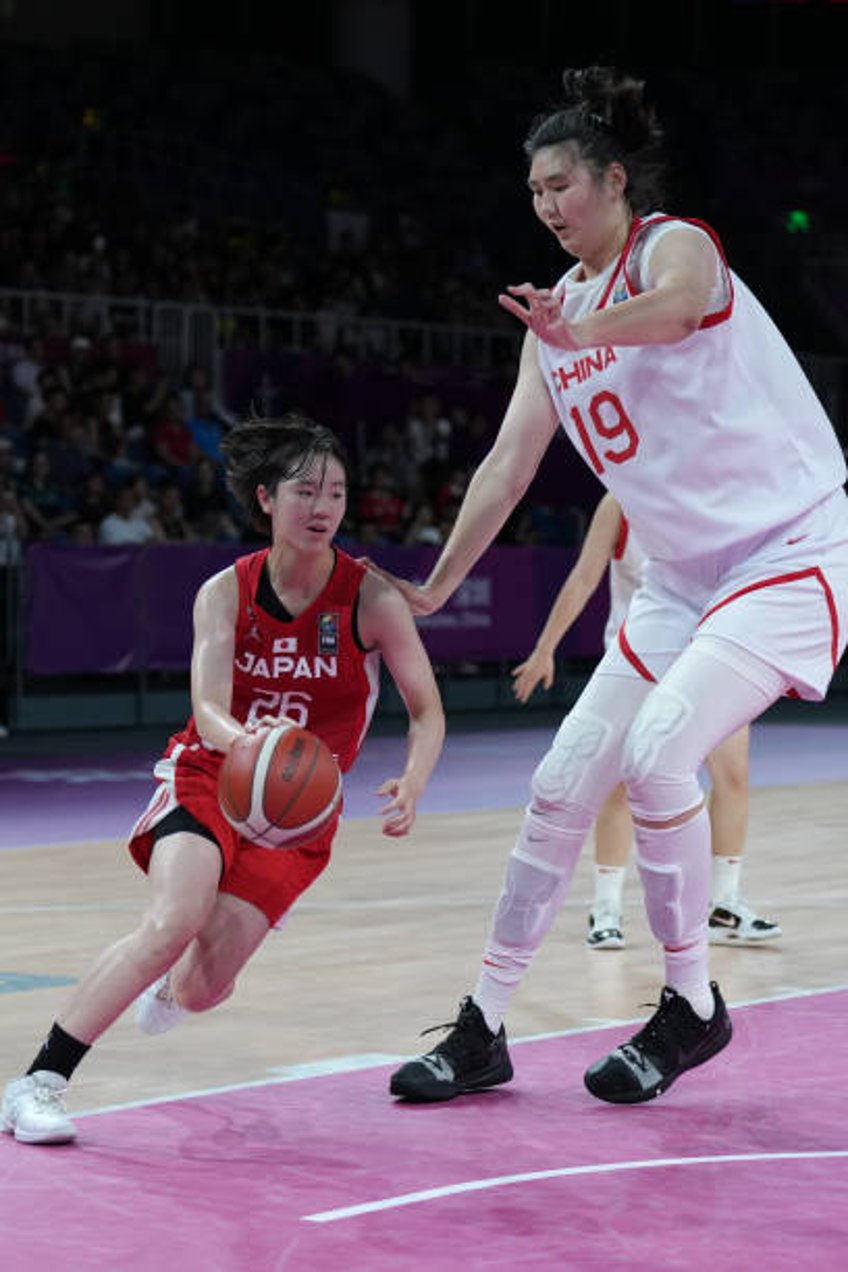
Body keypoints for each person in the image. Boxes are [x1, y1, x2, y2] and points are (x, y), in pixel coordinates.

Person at [377, 65, 848, 1106]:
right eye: (533, 192)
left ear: (612, 180)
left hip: (785, 553)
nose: (546, 207)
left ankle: (690, 1006)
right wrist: (432, 583)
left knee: (657, 755)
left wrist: (573, 333)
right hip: (680, 581)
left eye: (561, 185)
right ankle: (484, 1027)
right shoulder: (554, 321)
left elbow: (679, 310)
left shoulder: (668, 244)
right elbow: (505, 467)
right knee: (560, 781)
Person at [1, 413, 445, 1145]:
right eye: (307, 491)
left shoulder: (373, 599)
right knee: (173, 919)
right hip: (212, 771)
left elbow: (426, 711)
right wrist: (250, 745)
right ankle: (36, 1083)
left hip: (301, 812)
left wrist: (414, 779)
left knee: (205, 988)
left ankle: (171, 987)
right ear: (267, 499)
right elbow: (207, 708)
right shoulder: (224, 591)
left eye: (336, 491)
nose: (325, 506)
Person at [511, 491, 780, 949]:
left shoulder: (719, 498)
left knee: (733, 775)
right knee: (620, 782)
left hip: (709, 657)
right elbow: (582, 579)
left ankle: (724, 903)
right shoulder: (620, 502)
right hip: (640, 659)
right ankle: (606, 907)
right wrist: (545, 648)